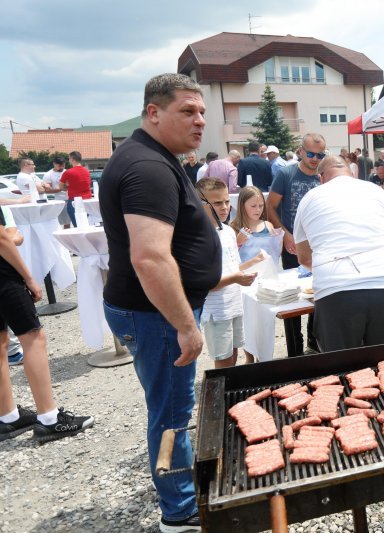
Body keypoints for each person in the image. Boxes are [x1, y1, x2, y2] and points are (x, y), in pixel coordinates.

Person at [100, 73, 222, 532]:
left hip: (153, 311)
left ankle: (179, 494)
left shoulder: (153, 156)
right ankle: (180, 513)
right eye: (187, 112)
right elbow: (150, 258)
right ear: (153, 112)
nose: (199, 121)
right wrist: (186, 326)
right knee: (171, 412)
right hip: (155, 316)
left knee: (169, 405)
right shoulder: (149, 167)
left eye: (202, 112)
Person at [0, 203, 94, 444]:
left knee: (1, 342)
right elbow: (3, 238)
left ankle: (8, 415)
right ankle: (50, 419)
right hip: (3, 276)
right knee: (32, 339)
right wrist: (28, 278)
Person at [294, 156, 384, 351]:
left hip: (336, 287)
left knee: (341, 366)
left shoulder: (310, 198)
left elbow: (303, 257)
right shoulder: (379, 193)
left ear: (321, 178)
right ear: (352, 173)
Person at [195, 178, 263, 368]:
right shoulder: (198, 236)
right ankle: (223, 397)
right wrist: (235, 278)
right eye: (217, 203)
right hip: (216, 311)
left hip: (234, 304)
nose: (224, 207)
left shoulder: (227, 231)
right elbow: (205, 282)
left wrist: (254, 263)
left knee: (233, 354)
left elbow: (233, 268)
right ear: (199, 204)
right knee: (223, 360)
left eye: (226, 201)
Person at [266, 133, 325, 354]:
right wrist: (285, 233)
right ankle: (295, 345)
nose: (315, 158)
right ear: (300, 151)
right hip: (292, 244)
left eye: (320, 154)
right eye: (310, 153)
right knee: (293, 295)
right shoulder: (286, 173)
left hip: (318, 244)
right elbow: (270, 206)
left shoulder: (323, 176)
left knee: (317, 291)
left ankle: (313, 338)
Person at [230, 185, 281, 264]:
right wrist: (237, 243)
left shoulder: (268, 225)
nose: (258, 210)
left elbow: (276, 253)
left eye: (261, 206)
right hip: (246, 274)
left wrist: (278, 240)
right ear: (242, 206)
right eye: (253, 206)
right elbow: (229, 257)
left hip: (268, 272)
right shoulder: (233, 228)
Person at [60, 151, 92, 226]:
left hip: (74, 201)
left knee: (77, 226)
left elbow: (61, 187)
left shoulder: (68, 172)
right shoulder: (87, 171)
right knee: (86, 224)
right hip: (87, 200)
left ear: (72, 159)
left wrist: (68, 186)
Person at [42, 157, 70, 228]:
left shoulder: (67, 172)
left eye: (63, 166)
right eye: (59, 166)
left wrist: (62, 187)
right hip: (60, 200)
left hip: (71, 198)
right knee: (64, 222)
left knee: (72, 221)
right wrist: (61, 188)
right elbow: (47, 190)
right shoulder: (48, 175)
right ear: (54, 164)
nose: (62, 168)